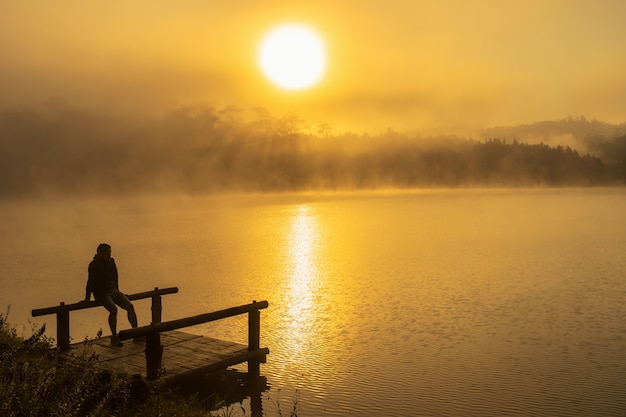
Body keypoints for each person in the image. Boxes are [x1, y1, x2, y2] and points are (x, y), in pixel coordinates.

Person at [83, 243, 138, 347]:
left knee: (130, 306)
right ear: (100, 253)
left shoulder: (111, 262)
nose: (109, 254)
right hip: (101, 293)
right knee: (113, 309)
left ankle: (136, 332)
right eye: (107, 252)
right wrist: (87, 298)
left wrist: (118, 291)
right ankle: (114, 337)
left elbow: (115, 277)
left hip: (113, 291)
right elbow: (90, 282)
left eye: (110, 252)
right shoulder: (93, 265)